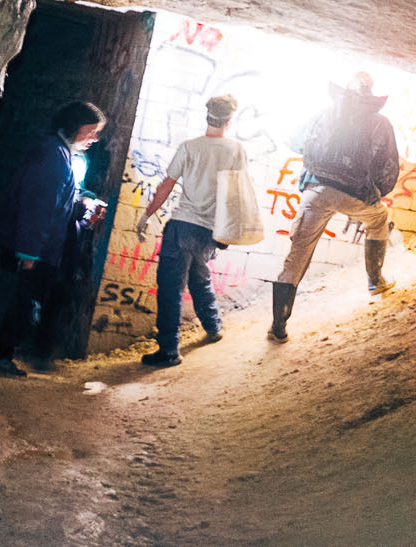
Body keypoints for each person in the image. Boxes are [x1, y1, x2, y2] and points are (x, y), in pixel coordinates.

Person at [270, 72, 400, 343]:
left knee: (296, 256)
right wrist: (375, 193)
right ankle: (375, 281)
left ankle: (278, 326)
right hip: (355, 194)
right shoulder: (380, 123)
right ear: (370, 94)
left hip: (316, 190)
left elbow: (295, 141)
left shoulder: (326, 113)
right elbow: (388, 166)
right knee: (379, 218)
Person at [0, 101, 107, 376]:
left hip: (46, 248)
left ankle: (4, 355)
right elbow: (37, 209)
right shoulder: (51, 157)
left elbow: (61, 198)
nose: (95, 139)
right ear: (74, 126)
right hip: (40, 250)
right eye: (92, 131)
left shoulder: (61, 153)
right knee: (25, 304)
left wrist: (84, 202)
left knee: (29, 302)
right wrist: (29, 255)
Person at [135, 95, 247, 368]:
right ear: (229, 121)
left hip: (182, 226)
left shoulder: (189, 147)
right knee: (200, 279)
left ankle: (169, 350)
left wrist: (147, 214)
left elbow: (167, 185)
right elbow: (237, 193)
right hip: (210, 231)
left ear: (207, 117)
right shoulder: (236, 150)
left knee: (171, 289)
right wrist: (229, 231)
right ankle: (213, 327)